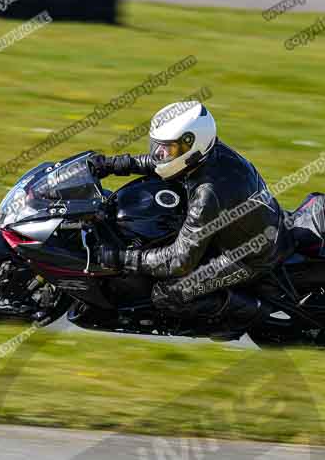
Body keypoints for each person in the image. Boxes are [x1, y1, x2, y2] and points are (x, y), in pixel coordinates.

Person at [88, 101, 287, 336]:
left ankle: (246, 315)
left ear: (191, 146)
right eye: (158, 146)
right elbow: (160, 162)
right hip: (247, 227)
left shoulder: (207, 193)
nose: (160, 153)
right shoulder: (205, 155)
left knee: (167, 294)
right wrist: (114, 164)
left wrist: (123, 258)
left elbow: (179, 261)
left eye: (168, 148)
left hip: (249, 256)